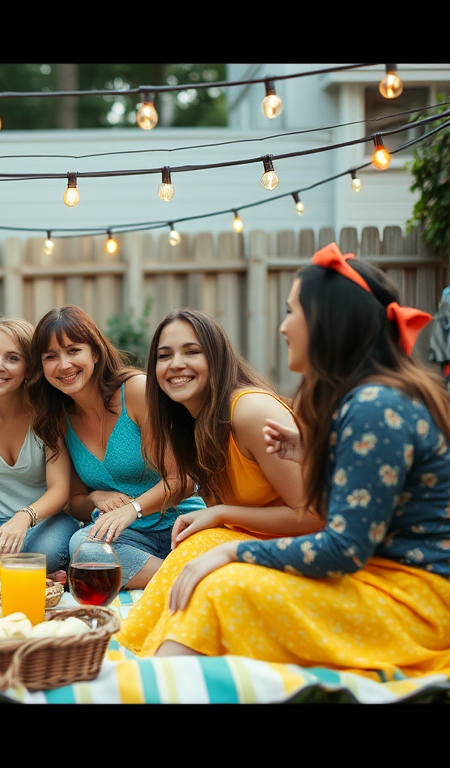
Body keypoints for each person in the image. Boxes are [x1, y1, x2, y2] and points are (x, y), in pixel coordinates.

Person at [144, 243, 450, 679]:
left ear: (328, 321)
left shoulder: (374, 405)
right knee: (217, 578)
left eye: (292, 312)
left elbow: (342, 547)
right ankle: (154, 671)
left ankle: (151, 685)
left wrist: (234, 551)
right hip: (386, 582)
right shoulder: (367, 401)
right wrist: (319, 452)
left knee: (225, 588)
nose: (284, 326)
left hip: (415, 602)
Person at [116, 308, 320, 654]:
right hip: (255, 541)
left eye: (191, 351)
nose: (176, 364)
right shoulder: (196, 424)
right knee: (193, 548)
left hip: (306, 553)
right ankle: (140, 650)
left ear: (217, 357)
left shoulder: (250, 412)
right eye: (164, 356)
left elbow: (315, 518)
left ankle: (167, 659)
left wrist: (221, 513)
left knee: (202, 550)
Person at [28, 305, 205, 590]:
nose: (63, 365)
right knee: (82, 545)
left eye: (73, 351)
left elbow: (181, 480)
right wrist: (97, 496)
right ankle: (182, 576)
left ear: (95, 353)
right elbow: (74, 502)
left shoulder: (136, 392)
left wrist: (132, 508)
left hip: (180, 523)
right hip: (128, 539)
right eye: (51, 357)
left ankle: (174, 576)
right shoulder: (59, 419)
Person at [0, 316, 79, 575]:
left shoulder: (47, 413)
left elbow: (60, 489)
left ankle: (28, 572)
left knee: (49, 551)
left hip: (48, 521)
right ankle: (42, 576)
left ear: (30, 369)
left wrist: (23, 518)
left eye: (12, 358)